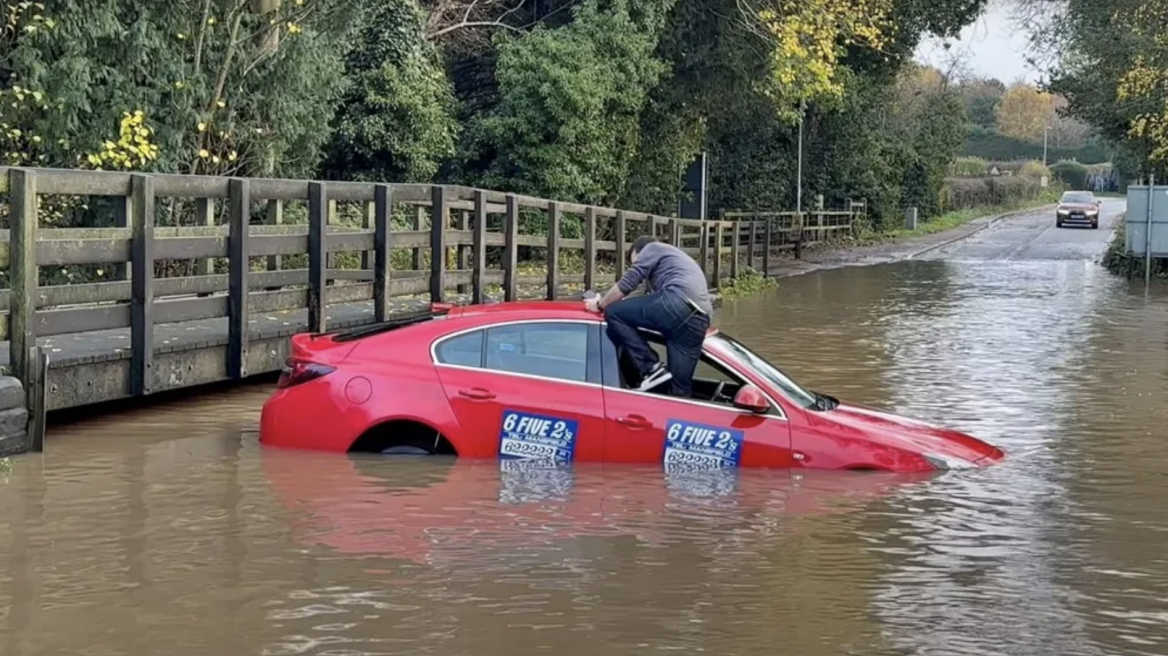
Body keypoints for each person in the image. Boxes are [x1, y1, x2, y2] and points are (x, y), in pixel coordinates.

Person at [584, 236, 712, 398]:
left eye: (635, 261)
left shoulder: (653, 248)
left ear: (640, 251)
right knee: (680, 389)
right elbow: (649, 307)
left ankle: (651, 367)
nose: (637, 266)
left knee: (614, 312)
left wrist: (600, 304)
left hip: (677, 301)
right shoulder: (677, 260)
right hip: (699, 320)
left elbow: (628, 283)